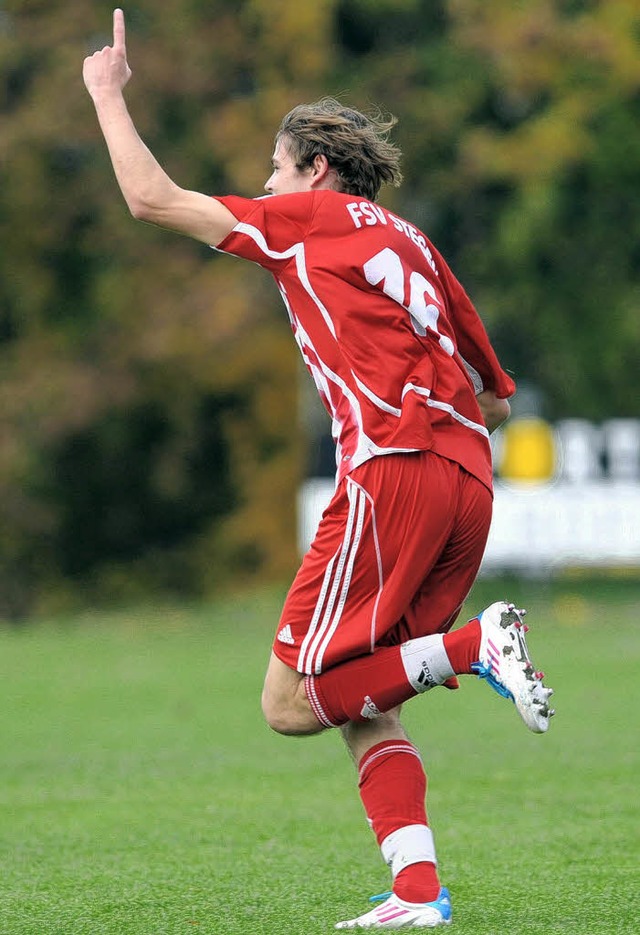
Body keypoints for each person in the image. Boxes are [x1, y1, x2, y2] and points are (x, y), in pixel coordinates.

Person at [83, 10, 554, 929]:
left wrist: (106, 93)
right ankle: (419, 891)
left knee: (289, 701)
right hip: (469, 478)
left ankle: (472, 646)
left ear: (316, 170)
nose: (266, 182)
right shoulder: (417, 243)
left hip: (392, 473)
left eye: (274, 165)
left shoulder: (309, 221)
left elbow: (150, 198)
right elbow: (495, 397)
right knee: (363, 689)